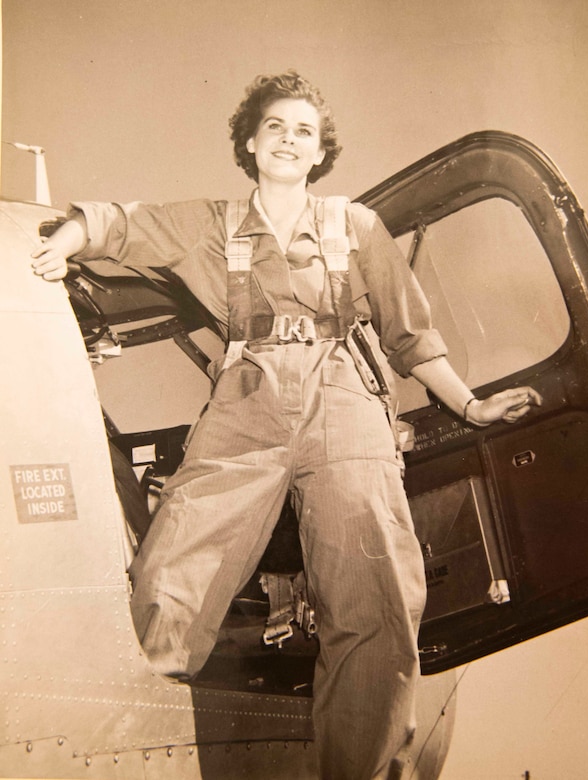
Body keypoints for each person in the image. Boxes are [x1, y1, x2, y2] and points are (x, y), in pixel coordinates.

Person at [31, 71, 542, 779]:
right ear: (250, 141)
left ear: (319, 151)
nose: (288, 138)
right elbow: (123, 224)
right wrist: (72, 237)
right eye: (275, 125)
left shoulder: (355, 226)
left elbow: (409, 334)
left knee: (374, 597)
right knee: (173, 565)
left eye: (304, 130)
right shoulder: (210, 225)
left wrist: (469, 406)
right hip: (247, 401)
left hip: (346, 405)